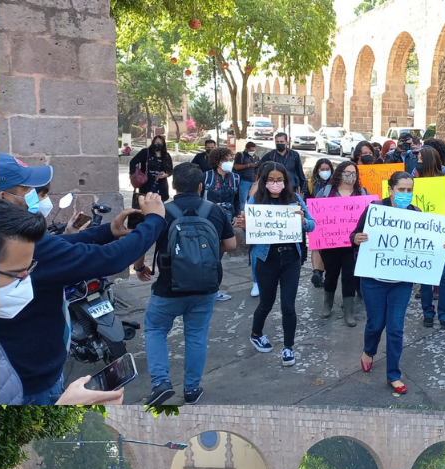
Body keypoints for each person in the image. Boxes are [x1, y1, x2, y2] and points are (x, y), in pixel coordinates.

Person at [0, 153, 165, 404]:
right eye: (27, 189)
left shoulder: (16, 239)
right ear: (3, 197)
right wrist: (154, 221)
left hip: (36, 368)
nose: (25, 274)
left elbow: (56, 244)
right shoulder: (17, 244)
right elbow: (109, 259)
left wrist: (107, 231)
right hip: (31, 382)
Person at [137, 162, 237, 406]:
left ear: (173, 185)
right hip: (206, 287)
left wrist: (140, 268)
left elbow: (140, 242)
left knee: (155, 330)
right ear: (201, 186)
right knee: (196, 336)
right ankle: (191, 390)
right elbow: (231, 245)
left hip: (168, 288)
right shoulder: (215, 211)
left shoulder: (161, 211)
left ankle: (161, 382)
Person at [350, 171, 445, 393]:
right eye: (401, 189)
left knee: (395, 328)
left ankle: (393, 374)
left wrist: (440, 247)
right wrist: (356, 239)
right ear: (391, 190)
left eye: (409, 190)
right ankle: (369, 349)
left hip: (402, 282)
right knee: (375, 324)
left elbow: (427, 245)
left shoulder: (417, 214)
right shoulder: (375, 210)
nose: (405, 194)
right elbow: (354, 235)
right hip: (373, 279)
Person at [235, 166, 316, 366]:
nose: (275, 183)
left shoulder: (295, 200)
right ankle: (256, 333)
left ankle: (288, 347)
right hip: (266, 259)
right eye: (271, 179)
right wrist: (244, 227)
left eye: (279, 179)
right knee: (266, 303)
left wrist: (303, 221)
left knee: (288, 306)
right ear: (264, 181)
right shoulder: (255, 202)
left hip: (291, 259)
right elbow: (250, 235)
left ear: (285, 181)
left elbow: (313, 225)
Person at [313, 161, 368, 324]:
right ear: (339, 173)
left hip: (353, 246)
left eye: (354, 172)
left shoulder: (363, 193)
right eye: (347, 172)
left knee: (350, 276)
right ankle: (327, 304)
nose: (351, 176)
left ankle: (349, 312)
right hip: (331, 244)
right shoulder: (326, 192)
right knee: (331, 275)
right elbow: (315, 214)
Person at [411, 147, 445, 331]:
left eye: (421, 158)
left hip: (442, 230)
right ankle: (428, 313)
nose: (418, 161)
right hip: (422, 231)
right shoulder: (415, 180)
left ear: (429, 160)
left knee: (442, 274)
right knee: (425, 273)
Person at [256, 132, 307, 198]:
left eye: (281, 141)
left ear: (287, 142)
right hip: (273, 189)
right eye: (277, 142)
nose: (279, 143)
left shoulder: (294, 155)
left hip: (290, 187)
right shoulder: (270, 155)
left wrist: (302, 191)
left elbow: (300, 173)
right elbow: (258, 168)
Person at [130, 135, 174, 200]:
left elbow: (171, 170)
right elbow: (132, 162)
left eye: (159, 143)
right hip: (146, 183)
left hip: (160, 185)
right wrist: (133, 175)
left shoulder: (166, 155)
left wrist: (166, 174)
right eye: (156, 143)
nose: (157, 145)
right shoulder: (145, 152)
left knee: (159, 204)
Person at [233, 141, 259, 210]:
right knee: (242, 200)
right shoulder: (241, 155)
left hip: (253, 180)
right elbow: (236, 166)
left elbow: (257, 169)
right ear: (246, 149)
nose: (252, 151)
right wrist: (249, 165)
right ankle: (241, 214)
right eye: (250, 150)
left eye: (253, 150)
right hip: (244, 180)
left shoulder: (256, 156)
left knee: (252, 200)